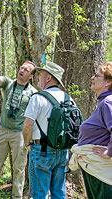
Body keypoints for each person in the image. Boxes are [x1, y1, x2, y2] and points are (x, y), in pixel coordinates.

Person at [0, 56, 37, 199]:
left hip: (20, 134)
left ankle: (17, 197)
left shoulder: (33, 93)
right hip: (3, 130)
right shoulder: (9, 83)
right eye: (21, 68)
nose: (22, 71)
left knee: (18, 168)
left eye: (26, 70)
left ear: (31, 75)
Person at [22, 62, 72, 199]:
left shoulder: (38, 98)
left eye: (40, 74)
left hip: (41, 149)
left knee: (39, 194)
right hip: (62, 151)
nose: (37, 77)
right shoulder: (69, 99)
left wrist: (27, 144)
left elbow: (27, 125)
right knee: (59, 193)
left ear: (48, 78)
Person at [70, 62, 112, 199]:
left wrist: (109, 152)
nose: (92, 78)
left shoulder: (107, 102)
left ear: (108, 82)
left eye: (96, 75)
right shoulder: (103, 102)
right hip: (95, 168)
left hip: (101, 169)